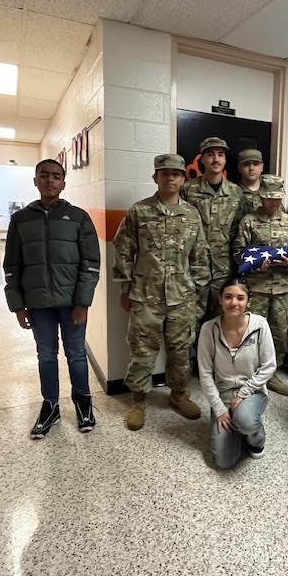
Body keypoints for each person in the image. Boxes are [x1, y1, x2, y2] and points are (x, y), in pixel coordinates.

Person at [3, 159, 100, 438]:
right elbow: (12, 265)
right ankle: (51, 406)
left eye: (56, 176)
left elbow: (91, 263)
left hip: (72, 304)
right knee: (46, 355)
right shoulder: (20, 220)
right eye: (44, 176)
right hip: (37, 304)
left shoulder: (78, 217)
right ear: (35, 180)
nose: (50, 181)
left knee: (77, 355)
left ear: (63, 183)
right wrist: (18, 305)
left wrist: (83, 302)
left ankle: (83, 402)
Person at [113, 154, 210, 430]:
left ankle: (179, 395)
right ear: (155, 177)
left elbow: (200, 256)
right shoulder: (139, 211)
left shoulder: (192, 215)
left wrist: (199, 292)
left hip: (183, 297)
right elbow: (123, 250)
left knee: (181, 350)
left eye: (176, 174)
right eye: (164, 173)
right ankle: (138, 400)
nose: (170, 178)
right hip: (145, 296)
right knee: (142, 349)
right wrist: (125, 287)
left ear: (182, 179)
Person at [198, 278, 276, 468]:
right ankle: (238, 423)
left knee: (246, 420)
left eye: (240, 298)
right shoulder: (209, 329)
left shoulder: (260, 325)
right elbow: (205, 374)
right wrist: (219, 409)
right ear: (220, 300)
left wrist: (243, 394)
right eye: (228, 297)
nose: (234, 303)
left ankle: (254, 436)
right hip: (223, 396)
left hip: (252, 392)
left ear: (248, 302)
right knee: (224, 462)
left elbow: (269, 365)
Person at [233, 174, 288, 396]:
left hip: (281, 289)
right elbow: (237, 253)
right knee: (251, 332)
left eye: (277, 198)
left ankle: (271, 373)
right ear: (261, 197)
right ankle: (248, 374)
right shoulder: (248, 221)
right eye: (269, 198)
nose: (273, 202)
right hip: (256, 288)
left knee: (279, 332)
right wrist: (254, 266)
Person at [181, 136, 246, 319]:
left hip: (223, 270)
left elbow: (238, 231)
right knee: (191, 322)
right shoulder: (188, 190)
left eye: (220, 155)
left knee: (221, 320)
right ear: (201, 159)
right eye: (210, 154)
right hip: (193, 268)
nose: (216, 159)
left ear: (225, 159)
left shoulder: (235, 192)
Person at [237, 148, 264, 213]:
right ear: (239, 168)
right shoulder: (233, 192)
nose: (251, 168)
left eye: (256, 164)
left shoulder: (270, 192)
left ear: (262, 167)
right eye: (246, 164)